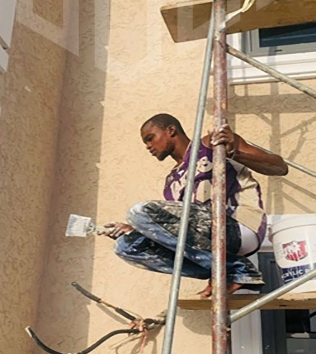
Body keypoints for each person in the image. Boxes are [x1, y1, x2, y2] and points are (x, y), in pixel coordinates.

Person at [102, 113, 288, 297]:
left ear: (171, 130)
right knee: (127, 246)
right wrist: (138, 229)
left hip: (239, 224)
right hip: (210, 237)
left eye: (150, 138)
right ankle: (225, 271)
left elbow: (280, 167)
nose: (148, 146)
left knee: (139, 211)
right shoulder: (171, 182)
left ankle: (235, 269)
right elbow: (180, 231)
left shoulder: (211, 144)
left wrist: (234, 151)